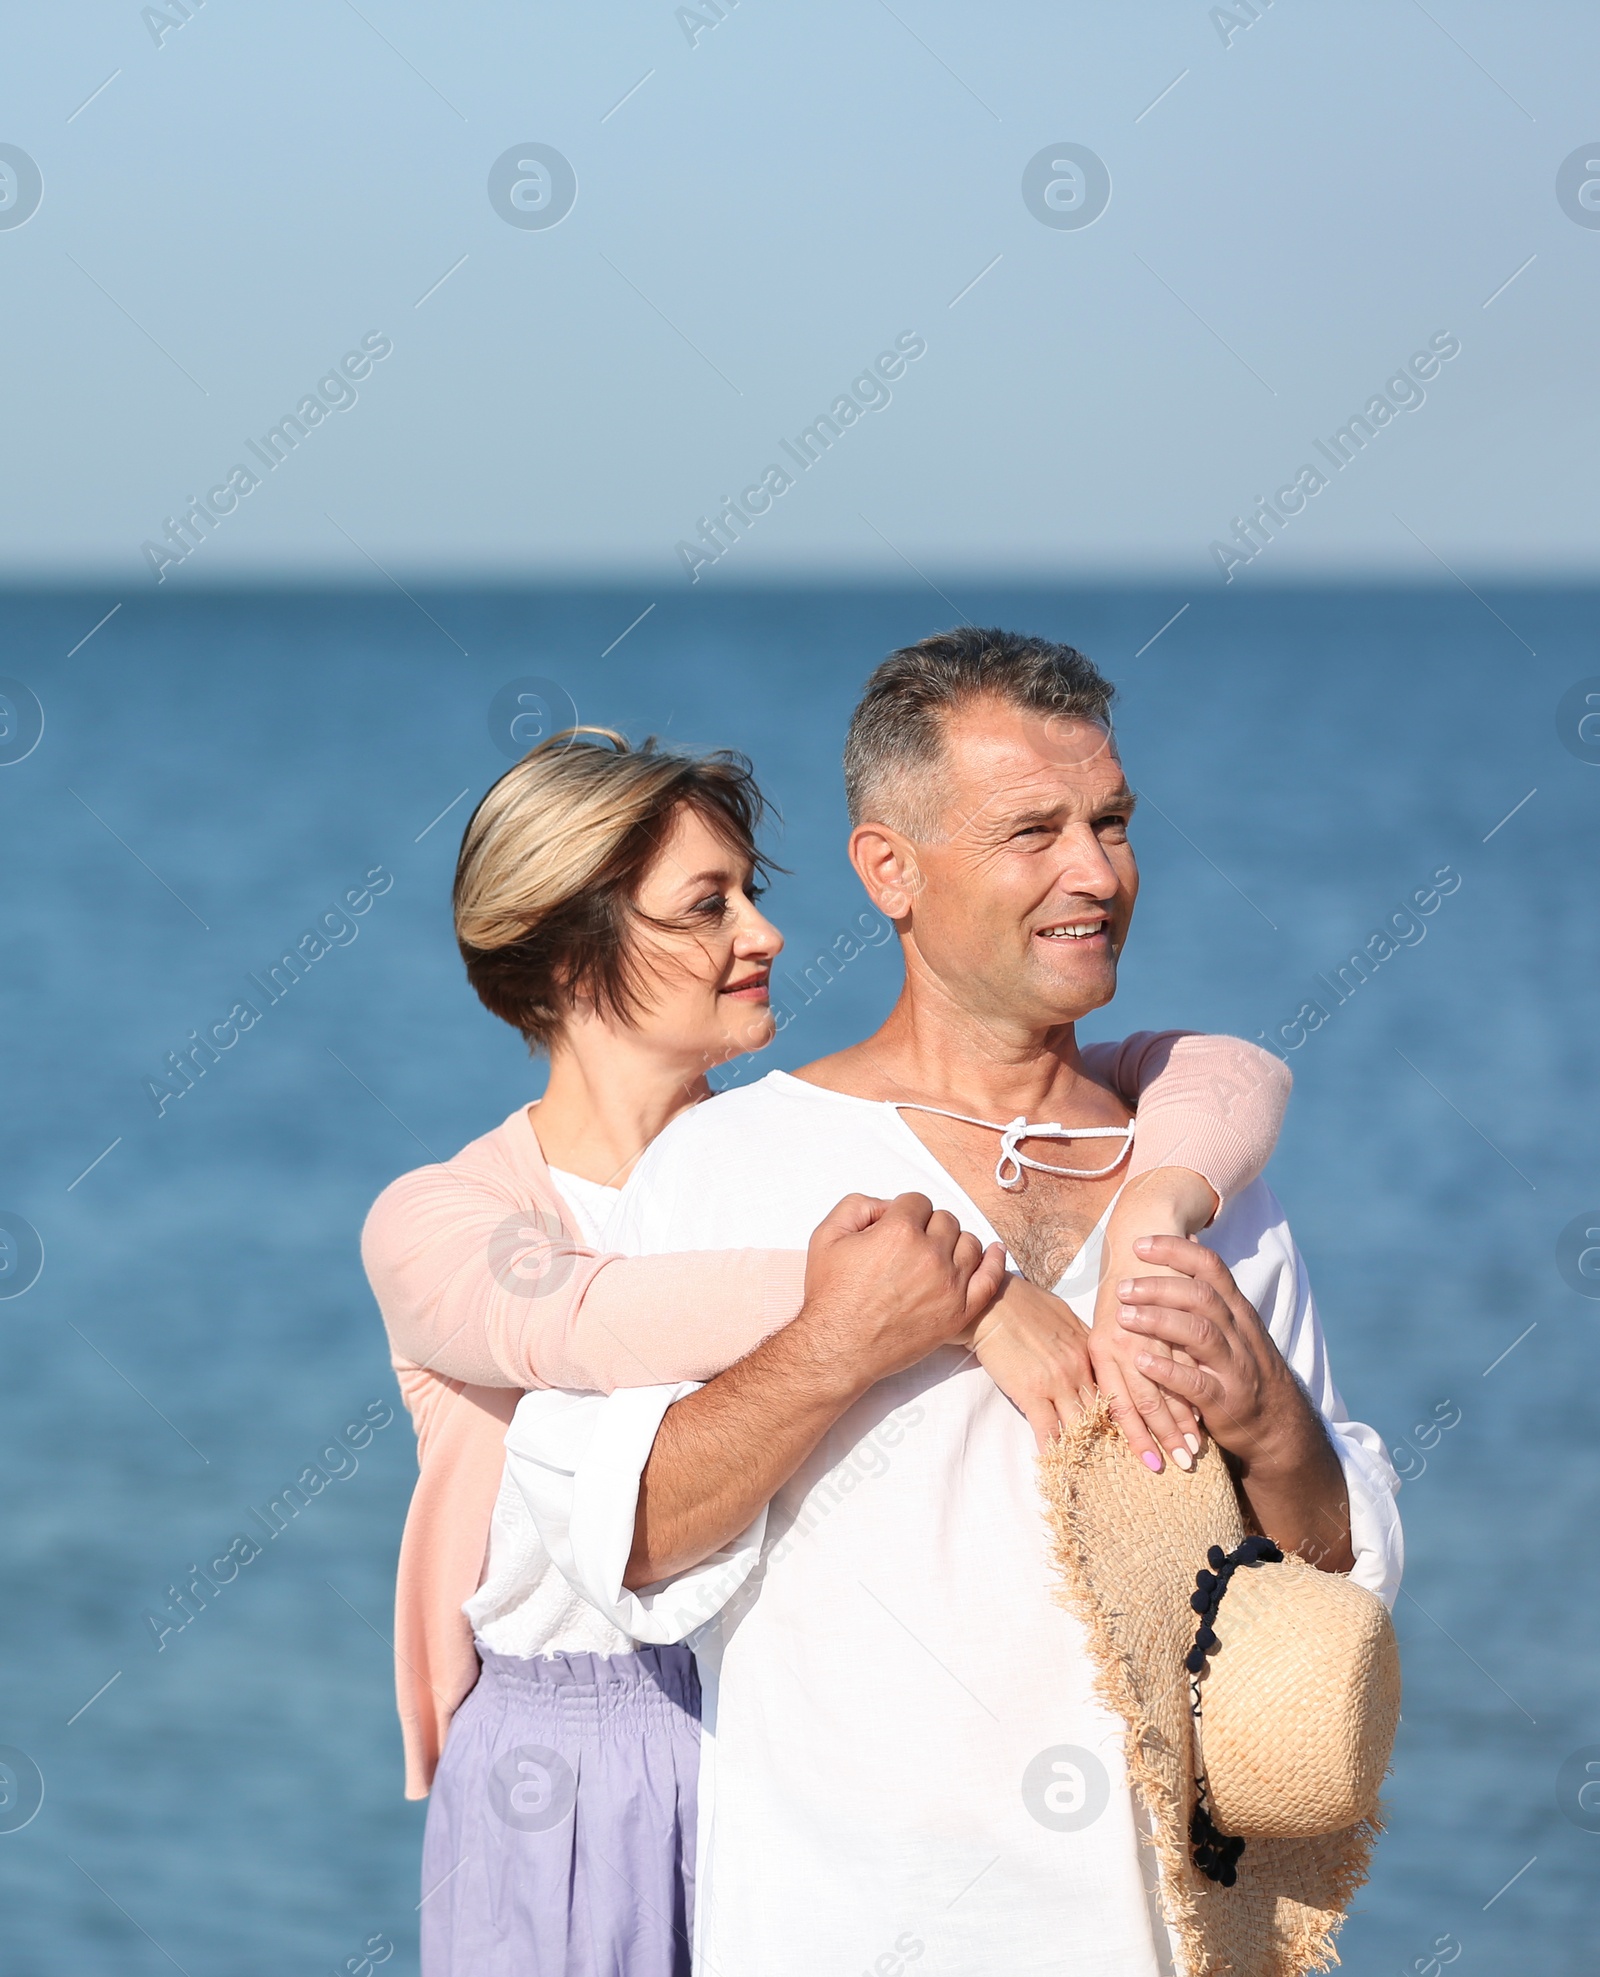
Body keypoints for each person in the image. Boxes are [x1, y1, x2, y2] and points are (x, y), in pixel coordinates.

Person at [503, 632, 1403, 1977]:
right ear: (892, 871)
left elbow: (1332, 1584)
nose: (1095, 873)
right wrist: (830, 1349)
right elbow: (615, 1538)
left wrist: (1274, 1423)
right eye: (1033, 830)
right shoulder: (734, 1163)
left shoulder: (1208, 1187)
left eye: (1110, 823)